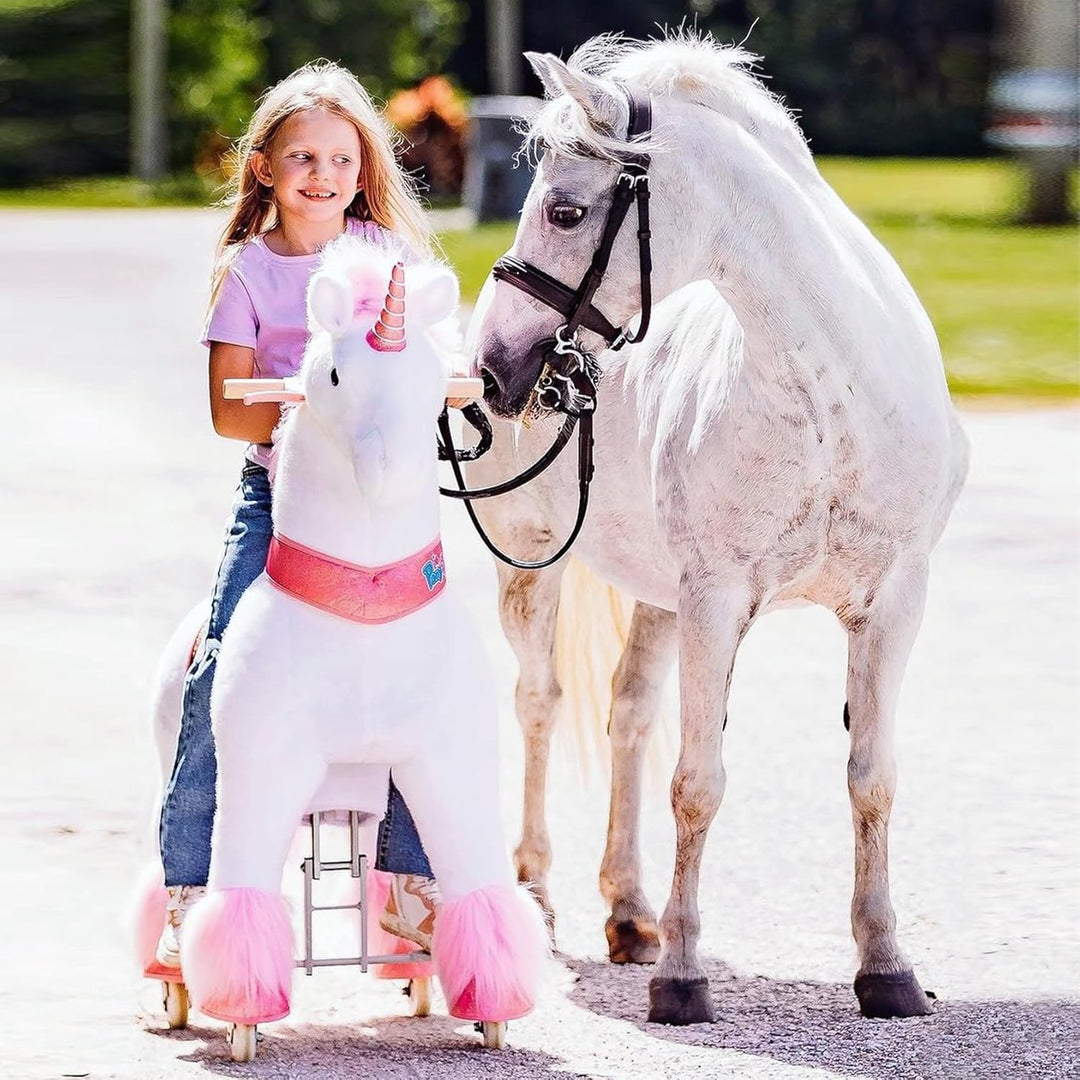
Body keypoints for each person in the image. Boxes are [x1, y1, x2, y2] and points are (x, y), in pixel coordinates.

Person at [156, 60, 447, 970]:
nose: (322, 175)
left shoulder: (389, 260)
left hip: (384, 501)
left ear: (363, 172)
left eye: (341, 159)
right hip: (277, 499)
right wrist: (316, 408)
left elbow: (427, 372)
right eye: (301, 158)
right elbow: (230, 413)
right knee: (214, 669)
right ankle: (191, 889)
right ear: (265, 170)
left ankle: (412, 883)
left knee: (440, 672)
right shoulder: (247, 271)